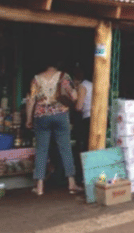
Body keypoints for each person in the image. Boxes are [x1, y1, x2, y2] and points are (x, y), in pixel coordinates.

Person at [26, 55, 83, 195]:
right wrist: (75, 89)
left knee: (41, 150)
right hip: (60, 114)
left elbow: (31, 100)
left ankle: (39, 186)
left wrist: (28, 119)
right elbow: (74, 96)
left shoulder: (36, 79)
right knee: (65, 148)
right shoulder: (64, 76)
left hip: (41, 116)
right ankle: (71, 183)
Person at [72, 66, 92, 153]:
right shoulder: (91, 84)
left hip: (88, 117)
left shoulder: (82, 86)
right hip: (97, 116)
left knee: (85, 145)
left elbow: (79, 107)